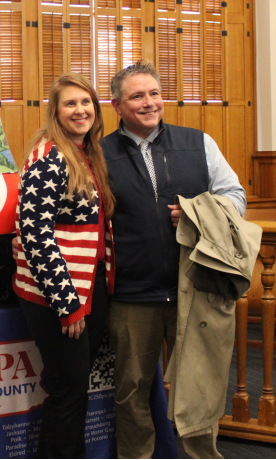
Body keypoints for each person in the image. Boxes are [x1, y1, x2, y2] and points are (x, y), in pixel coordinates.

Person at [103, 60, 245, 459]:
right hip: (132, 294)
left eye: (154, 94)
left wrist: (200, 211)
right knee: (130, 390)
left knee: (199, 386)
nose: (149, 103)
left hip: (195, 288)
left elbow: (236, 198)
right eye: (137, 96)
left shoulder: (198, 142)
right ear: (117, 105)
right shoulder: (99, 154)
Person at [13, 73, 116, 459]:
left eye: (86, 102)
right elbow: (35, 233)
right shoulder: (49, 155)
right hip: (58, 295)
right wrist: (66, 303)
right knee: (69, 393)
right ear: (55, 112)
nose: (80, 110)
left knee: (70, 389)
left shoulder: (89, 154)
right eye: (70, 103)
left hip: (90, 289)